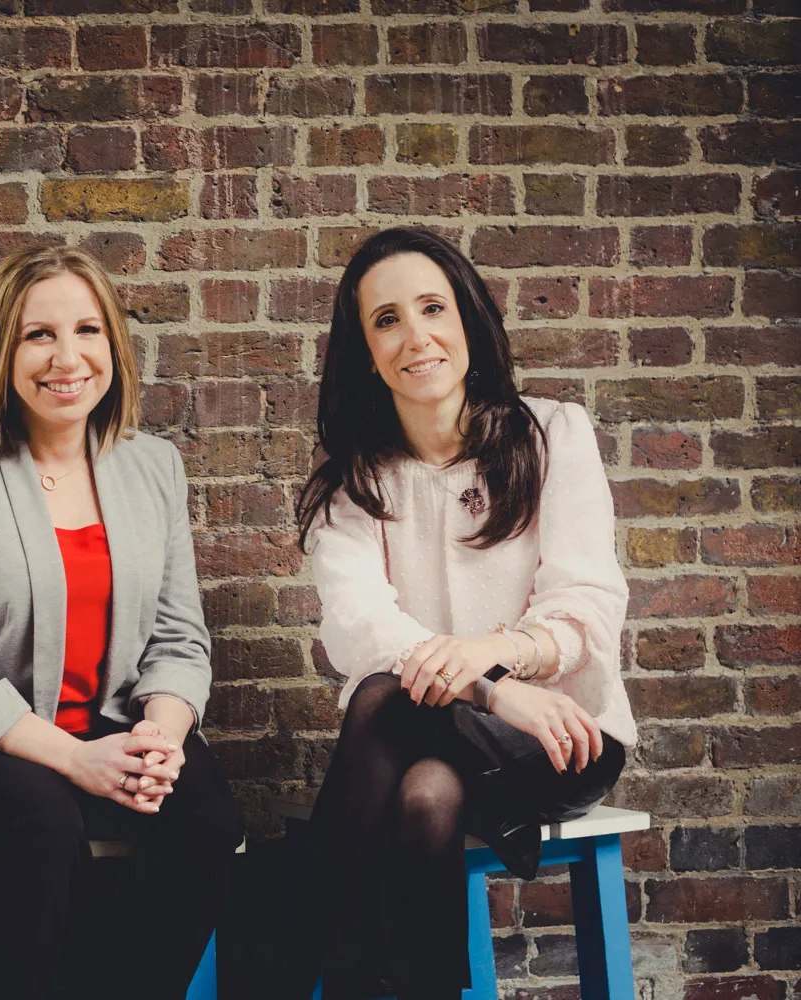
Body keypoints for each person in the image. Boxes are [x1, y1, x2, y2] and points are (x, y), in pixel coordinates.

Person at [0, 245, 243, 1000]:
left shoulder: (152, 466)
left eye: (87, 330)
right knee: (44, 830)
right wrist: (75, 761)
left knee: (206, 819)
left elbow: (180, 639)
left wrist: (161, 737)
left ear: (113, 343)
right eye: (37, 335)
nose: (67, 357)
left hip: (113, 725)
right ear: (0, 352)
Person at [283, 227, 637, 1000]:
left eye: (432, 308)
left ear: (469, 321)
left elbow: (587, 602)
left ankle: (288, 964)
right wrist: (488, 686)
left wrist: (497, 655)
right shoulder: (355, 485)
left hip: (561, 736)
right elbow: (358, 629)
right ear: (366, 355)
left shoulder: (552, 437)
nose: (416, 337)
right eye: (386, 321)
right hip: (420, 744)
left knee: (385, 699)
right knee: (426, 790)